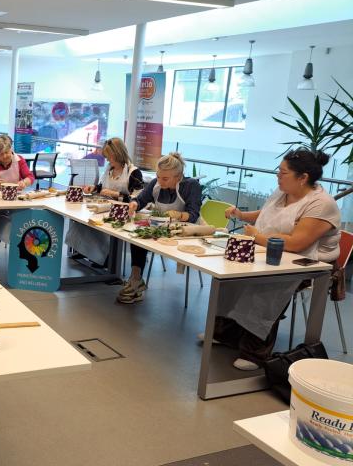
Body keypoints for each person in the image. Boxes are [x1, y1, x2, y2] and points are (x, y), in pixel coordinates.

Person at [213, 148, 340, 370]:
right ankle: (226, 334)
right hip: (272, 250)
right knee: (229, 274)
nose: (278, 177)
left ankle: (255, 352)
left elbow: (297, 243)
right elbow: (266, 215)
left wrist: (259, 236)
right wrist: (241, 215)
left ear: (303, 178)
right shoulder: (283, 192)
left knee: (268, 283)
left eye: (283, 173)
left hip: (310, 264)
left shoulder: (321, 203)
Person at [120, 152, 202, 304]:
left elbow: (193, 215)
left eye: (165, 179)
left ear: (178, 176)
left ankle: (136, 282)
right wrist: (134, 204)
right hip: (162, 228)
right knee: (139, 236)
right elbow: (141, 199)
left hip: (185, 232)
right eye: (158, 176)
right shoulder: (156, 184)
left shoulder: (191, 186)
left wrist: (178, 215)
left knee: (145, 237)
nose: (160, 181)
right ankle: (135, 279)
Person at [65, 137, 144, 266]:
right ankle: (88, 251)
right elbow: (102, 187)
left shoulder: (133, 172)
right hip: (107, 207)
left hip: (123, 212)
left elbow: (137, 200)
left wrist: (116, 194)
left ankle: (104, 258)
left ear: (117, 154)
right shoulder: (109, 169)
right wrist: (94, 188)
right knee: (83, 220)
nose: (107, 160)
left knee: (99, 224)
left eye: (109, 157)